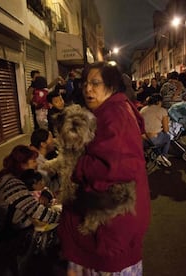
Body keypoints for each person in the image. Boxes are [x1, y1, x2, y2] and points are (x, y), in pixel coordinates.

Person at [57, 61, 151, 275]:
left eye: (95, 83)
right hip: (108, 224)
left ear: (111, 86)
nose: (88, 89)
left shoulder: (114, 115)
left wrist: (75, 167)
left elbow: (115, 167)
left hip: (109, 228)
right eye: (85, 84)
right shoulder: (112, 110)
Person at [0, 145, 61, 274]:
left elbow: (39, 191)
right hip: (12, 238)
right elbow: (40, 213)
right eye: (33, 161)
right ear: (22, 164)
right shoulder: (14, 185)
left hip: (14, 230)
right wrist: (64, 217)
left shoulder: (12, 179)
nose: (36, 165)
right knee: (56, 235)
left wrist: (46, 193)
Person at [140, 94, 172, 167]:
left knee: (155, 140)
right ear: (158, 102)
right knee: (167, 137)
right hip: (153, 138)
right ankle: (162, 157)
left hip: (142, 139)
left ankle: (158, 155)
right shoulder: (162, 110)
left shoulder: (143, 109)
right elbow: (166, 129)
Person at [29, 128, 59, 194]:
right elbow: (51, 189)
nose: (53, 141)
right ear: (43, 144)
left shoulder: (44, 158)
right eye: (50, 138)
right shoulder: (38, 164)